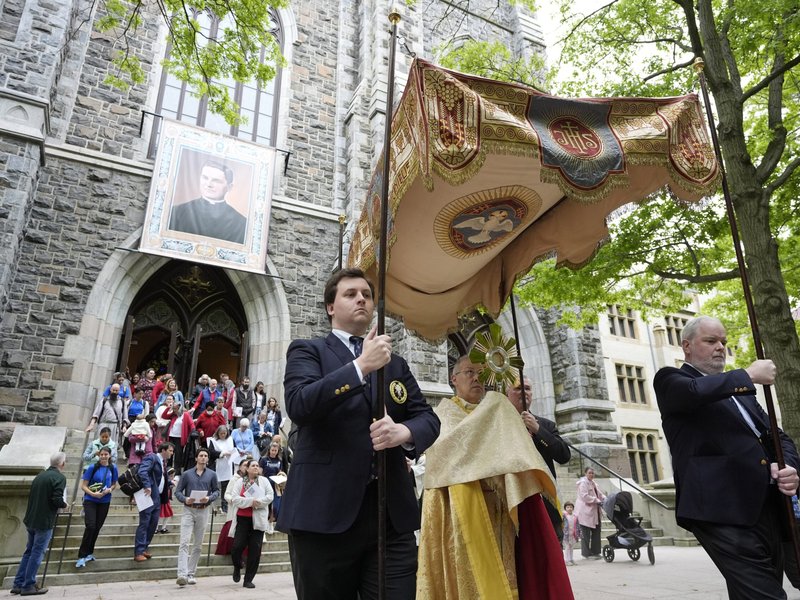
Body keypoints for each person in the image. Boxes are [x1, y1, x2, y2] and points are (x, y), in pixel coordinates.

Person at [279, 267, 440, 600]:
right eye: (350, 294)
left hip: (390, 517)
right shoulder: (308, 351)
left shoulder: (395, 364)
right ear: (330, 307)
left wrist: (404, 431)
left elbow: (427, 418)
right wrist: (361, 367)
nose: (361, 300)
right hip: (323, 515)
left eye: (366, 295)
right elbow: (300, 405)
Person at [654, 315, 800, 599]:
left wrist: (790, 467)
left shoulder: (743, 394)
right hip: (721, 510)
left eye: (723, 341)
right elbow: (695, 392)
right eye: (711, 341)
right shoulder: (671, 380)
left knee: (754, 588)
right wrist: (747, 375)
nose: (720, 347)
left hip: (769, 506)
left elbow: (777, 437)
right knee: (764, 594)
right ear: (686, 346)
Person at [417, 356, 573, 599]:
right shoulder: (440, 417)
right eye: (469, 372)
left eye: (480, 372)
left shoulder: (499, 412)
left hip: (500, 509)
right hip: (459, 513)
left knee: (505, 575)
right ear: (453, 379)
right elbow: (440, 460)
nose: (477, 377)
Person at [508, 376, 571, 540]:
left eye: (527, 388)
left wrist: (537, 429)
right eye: (517, 388)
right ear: (507, 392)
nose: (524, 392)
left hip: (545, 505)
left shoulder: (546, 425)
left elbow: (564, 455)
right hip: (514, 505)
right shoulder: (499, 424)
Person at [11, 452, 68, 596]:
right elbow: (56, 499)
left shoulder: (40, 475)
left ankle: (18, 583)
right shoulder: (59, 477)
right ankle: (28, 585)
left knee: (29, 551)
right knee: (37, 552)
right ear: (62, 464)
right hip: (43, 521)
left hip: (31, 519)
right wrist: (64, 504)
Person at [169, 161, 247, 244]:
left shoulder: (241, 224)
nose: (208, 184)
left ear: (229, 187)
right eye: (205, 178)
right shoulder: (176, 212)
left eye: (216, 181)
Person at [174, 447, 220, 586]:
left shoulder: (212, 474)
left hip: (203, 509)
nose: (203, 458)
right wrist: (185, 499)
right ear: (196, 458)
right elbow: (178, 492)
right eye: (201, 455)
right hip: (189, 509)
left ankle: (190, 572)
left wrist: (210, 498)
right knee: (184, 542)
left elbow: (217, 491)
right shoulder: (187, 474)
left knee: (198, 544)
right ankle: (181, 574)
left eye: (206, 456)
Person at [229, 459, 273, 588]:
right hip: (243, 519)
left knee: (255, 550)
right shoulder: (239, 482)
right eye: (253, 466)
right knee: (237, 547)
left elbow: (270, 496)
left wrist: (258, 502)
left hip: (258, 520)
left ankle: (248, 579)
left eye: (257, 466)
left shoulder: (264, 481)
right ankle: (237, 566)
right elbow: (235, 499)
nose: (255, 468)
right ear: (247, 469)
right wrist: (250, 502)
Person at [75, 447, 118, 568]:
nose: (104, 456)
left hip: (105, 500)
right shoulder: (92, 467)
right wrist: (93, 494)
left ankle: (89, 552)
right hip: (91, 500)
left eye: (106, 454)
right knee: (90, 526)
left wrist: (110, 489)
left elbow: (114, 484)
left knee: (97, 527)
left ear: (109, 455)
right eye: (102, 454)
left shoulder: (113, 468)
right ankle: (81, 555)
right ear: (99, 455)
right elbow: (83, 485)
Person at [134, 442, 174, 562]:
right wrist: (147, 485)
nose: (172, 453)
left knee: (153, 524)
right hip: (148, 495)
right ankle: (138, 551)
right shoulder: (152, 457)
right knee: (145, 523)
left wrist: (170, 484)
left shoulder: (163, 462)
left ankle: (144, 548)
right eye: (170, 451)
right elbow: (142, 471)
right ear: (163, 450)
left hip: (158, 497)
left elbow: (161, 478)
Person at [574, 467, 605, 560]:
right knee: (585, 533)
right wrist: (596, 500)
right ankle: (586, 553)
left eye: (592, 473)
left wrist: (605, 498)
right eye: (589, 473)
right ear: (585, 473)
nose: (591, 474)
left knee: (596, 531)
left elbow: (599, 493)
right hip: (584, 511)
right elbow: (584, 496)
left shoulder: (594, 483)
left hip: (594, 511)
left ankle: (596, 552)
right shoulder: (583, 483)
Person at [258, 441, 285, 534]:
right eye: (272, 450)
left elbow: (280, 472)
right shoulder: (264, 459)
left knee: (276, 507)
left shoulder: (279, 460)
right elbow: (260, 472)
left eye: (275, 450)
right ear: (269, 450)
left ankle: (271, 522)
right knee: (267, 505)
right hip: (266, 483)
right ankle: (266, 524)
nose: (274, 452)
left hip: (276, 484)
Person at [208, 424, 235, 512]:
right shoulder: (213, 441)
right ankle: (212, 503)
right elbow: (211, 452)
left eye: (224, 433)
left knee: (226, 485)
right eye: (221, 434)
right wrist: (221, 454)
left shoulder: (230, 440)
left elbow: (233, 449)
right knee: (214, 484)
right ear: (218, 433)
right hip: (217, 464)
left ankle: (224, 504)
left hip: (228, 465)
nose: (223, 435)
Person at [562, 501, 580, 567]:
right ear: (565, 508)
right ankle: (566, 560)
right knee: (567, 547)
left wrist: (579, 533)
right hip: (566, 535)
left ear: (573, 508)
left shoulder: (575, 516)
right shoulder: (564, 516)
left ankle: (571, 559)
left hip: (573, 534)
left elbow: (578, 525)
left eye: (571, 507)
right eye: (568, 507)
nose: (569, 508)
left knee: (571, 547)